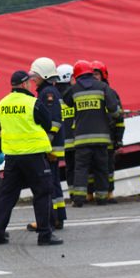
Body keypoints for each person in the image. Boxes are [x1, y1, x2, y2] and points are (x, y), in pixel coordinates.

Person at [0, 71, 62, 246]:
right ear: (23, 84)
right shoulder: (33, 103)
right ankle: (45, 235)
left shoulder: (3, 103)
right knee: (42, 193)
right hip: (34, 155)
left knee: (6, 196)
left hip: (13, 156)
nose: (31, 85)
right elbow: (47, 123)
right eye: (29, 82)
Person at [62, 60, 120, 207]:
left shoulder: (74, 90)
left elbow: (66, 100)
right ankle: (102, 198)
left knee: (81, 168)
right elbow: (113, 109)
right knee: (101, 168)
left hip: (81, 139)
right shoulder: (102, 87)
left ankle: (79, 199)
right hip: (101, 138)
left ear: (76, 75)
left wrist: (74, 84)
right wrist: (117, 114)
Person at [28, 57, 66, 230]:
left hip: (50, 148)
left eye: (35, 74)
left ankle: (52, 218)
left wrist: (46, 145)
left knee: (48, 183)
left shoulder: (47, 93)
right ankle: (57, 217)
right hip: (52, 147)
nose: (33, 78)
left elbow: (54, 122)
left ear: (43, 74)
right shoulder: (50, 91)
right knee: (53, 182)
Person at [91, 60, 125, 204]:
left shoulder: (110, 93)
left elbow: (119, 117)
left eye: (96, 74)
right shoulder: (85, 94)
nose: (94, 77)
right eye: (91, 74)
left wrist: (118, 137)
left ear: (103, 75)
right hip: (93, 135)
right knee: (91, 167)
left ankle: (109, 193)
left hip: (109, 135)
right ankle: (91, 195)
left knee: (108, 166)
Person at [56, 64, 76, 202]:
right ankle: (84, 194)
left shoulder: (53, 95)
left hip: (61, 143)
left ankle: (73, 194)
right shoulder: (75, 93)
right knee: (80, 168)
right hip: (77, 140)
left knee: (69, 168)